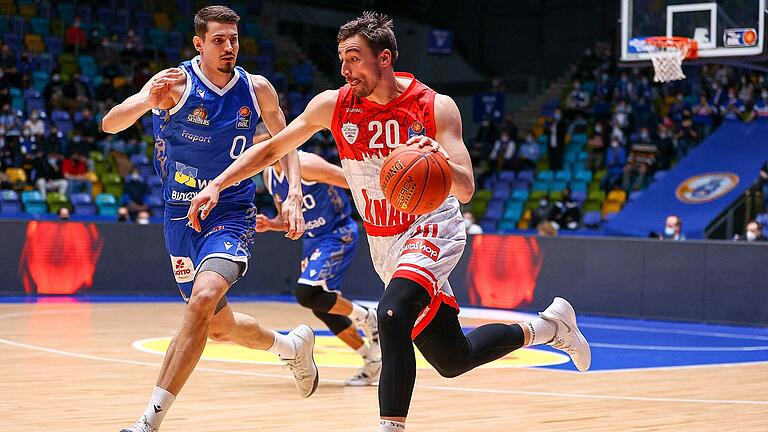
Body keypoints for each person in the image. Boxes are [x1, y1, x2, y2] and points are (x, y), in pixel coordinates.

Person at [187, 12, 591, 432]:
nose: (344, 69)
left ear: (384, 58)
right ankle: (548, 326)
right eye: (341, 59)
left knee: (392, 313)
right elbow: (272, 150)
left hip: (432, 226)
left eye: (354, 58)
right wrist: (217, 183)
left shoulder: (434, 106)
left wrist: (436, 154)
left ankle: (390, 427)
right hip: (385, 243)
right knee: (453, 358)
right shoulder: (334, 104)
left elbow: (467, 188)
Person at [102, 7, 318, 432]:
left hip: (231, 213)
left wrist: (293, 191)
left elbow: (288, 140)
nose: (229, 47)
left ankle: (148, 421)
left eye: (233, 39)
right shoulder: (174, 85)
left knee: (202, 300)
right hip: (180, 218)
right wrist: (146, 99)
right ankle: (291, 346)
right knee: (217, 326)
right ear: (199, 44)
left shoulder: (257, 90)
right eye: (218, 40)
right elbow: (110, 124)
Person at [260, 150, 381, 386]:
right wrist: (269, 224)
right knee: (321, 306)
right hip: (312, 240)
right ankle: (372, 362)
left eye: (266, 145)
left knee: (307, 293)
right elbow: (285, 219)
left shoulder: (305, 163)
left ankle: (368, 316)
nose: (263, 152)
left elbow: (351, 180)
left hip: (337, 233)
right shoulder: (268, 174)